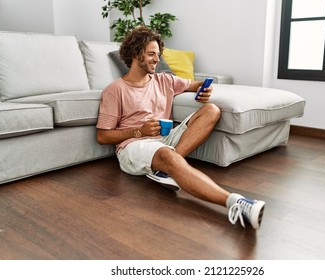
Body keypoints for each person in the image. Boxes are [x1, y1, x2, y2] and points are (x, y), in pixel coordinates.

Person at [96, 26, 265, 230]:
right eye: (151, 54)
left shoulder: (164, 80)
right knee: (167, 155)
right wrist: (139, 131)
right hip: (134, 146)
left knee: (211, 110)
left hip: (165, 140)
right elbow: (103, 136)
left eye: (158, 54)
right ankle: (236, 203)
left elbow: (196, 84)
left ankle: (165, 170)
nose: (157, 59)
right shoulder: (115, 90)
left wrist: (204, 89)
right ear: (135, 54)